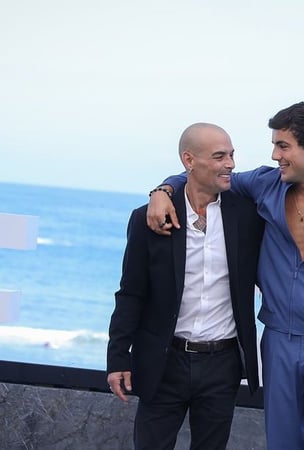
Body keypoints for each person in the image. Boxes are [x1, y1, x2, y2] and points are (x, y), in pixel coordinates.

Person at [145, 102, 304, 450]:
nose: (274, 155)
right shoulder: (266, 185)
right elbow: (206, 175)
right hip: (278, 340)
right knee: (281, 444)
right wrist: (163, 191)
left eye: (283, 146)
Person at [106, 122, 264, 450]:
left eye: (231, 155)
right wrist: (118, 357)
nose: (231, 164)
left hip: (222, 364)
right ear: (189, 160)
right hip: (164, 362)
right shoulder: (149, 219)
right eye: (219, 156)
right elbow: (131, 293)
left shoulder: (249, 217)